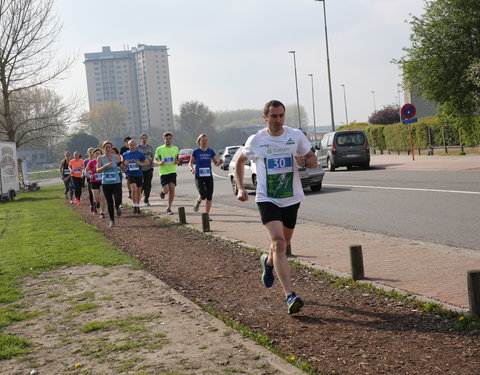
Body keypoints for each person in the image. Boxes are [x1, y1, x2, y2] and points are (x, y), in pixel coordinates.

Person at [234, 100, 318, 315]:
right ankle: (290, 295)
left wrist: (305, 162)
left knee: (281, 244)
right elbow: (239, 162)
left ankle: (268, 263)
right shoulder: (256, 140)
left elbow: (313, 160)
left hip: (291, 197)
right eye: (273, 116)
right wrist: (241, 188)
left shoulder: (295, 135)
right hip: (267, 198)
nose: (278, 120)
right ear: (265, 118)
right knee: (279, 243)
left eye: (281, 115)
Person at [188, 134, 223, 218]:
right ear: (199, 142)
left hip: (208, 176)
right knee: (203, 194)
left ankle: (207, 214)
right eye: (202, 140)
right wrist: (192, 169)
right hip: (199, 176)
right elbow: (190, 163)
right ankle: (198, 201)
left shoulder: (211, 151)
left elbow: (216, 163)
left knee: (209, 196)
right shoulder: (196, 151)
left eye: (206, 140)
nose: (204, 142)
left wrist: (220, 162)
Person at [96, 141, 126, 227]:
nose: (108, 149)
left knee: (118, 199)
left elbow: (123, 168)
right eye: (106, 147)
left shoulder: (116, 157)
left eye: (109, 147)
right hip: (106, 183)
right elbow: (98, 170)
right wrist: (106, 166)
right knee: (109, 202)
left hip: (116, 182)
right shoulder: (100, 158)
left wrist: (125, 166)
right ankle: (112, 220)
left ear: (112, 148)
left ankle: (117, 206)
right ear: (103, 148)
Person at [154, 132, 179, 215]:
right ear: (164, 139)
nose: (168, 140)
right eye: (166, 139)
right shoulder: (159, 149)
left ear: (171, 139)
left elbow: (177, 159)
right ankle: (162, 192)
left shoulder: (175, 148)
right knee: (166, 190)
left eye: (169, 139)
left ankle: (169, 208)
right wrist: (159, 162)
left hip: (172, 171)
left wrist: (177, 161)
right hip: (163, 172)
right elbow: (155, 160)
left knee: (172, 189)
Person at [122, 139, 149, 214]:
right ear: (128, 146)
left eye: (134, 145)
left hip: (139, 174)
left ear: (136, 146)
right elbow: (122, 164)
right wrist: (125, 163)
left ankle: (138, 205)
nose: (132, 146)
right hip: (130, 174)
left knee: (138, 191)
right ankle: (135, 206)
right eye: (130, 145)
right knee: (134, 189)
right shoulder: (125, 154)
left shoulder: (140, 154)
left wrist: (140, 164)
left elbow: (147, 163)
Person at [86, 148, 106, 217]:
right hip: (94, 181)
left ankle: (102, 212)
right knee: (97, 198)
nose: (97, 154)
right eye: (96, 153)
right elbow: (85, 171)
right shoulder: (91, 162)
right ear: (93, 155)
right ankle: (96, 203)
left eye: (99, 153)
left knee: (103, 196)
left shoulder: (104, 161)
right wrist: (90, 175)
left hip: (103, 181)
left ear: (101, 154)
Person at [137, 133, 155, 206]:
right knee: (141, 185)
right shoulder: (137, 148)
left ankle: (146, 200)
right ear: (140, 139)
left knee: (148, 185)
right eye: (142, 138)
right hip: (140, 169)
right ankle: (138, 199)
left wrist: (152, 161)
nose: (144, 139)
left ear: (147, 139)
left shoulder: (150, 147)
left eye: (145, 138)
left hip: (149, 168)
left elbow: (152, 156)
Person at [84, 147, 95, 212]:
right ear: (88, 153)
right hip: (89, 178)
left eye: (92, 151)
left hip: (96, 178)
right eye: (90, 152)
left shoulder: (97, 159)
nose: (91, 153)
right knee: (91, 192)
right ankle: (92, 204)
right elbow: (84, 170)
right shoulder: (86, 161)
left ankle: (96, 203)